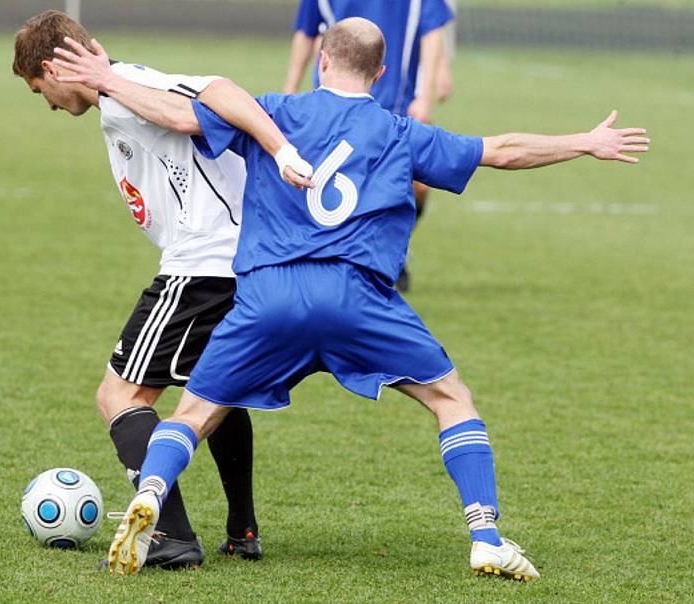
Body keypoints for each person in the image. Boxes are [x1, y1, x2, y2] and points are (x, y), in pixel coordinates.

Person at [54, 18, 649, 580]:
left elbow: (182, 115)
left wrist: (108, 78)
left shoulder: (275, 113)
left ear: (321, 58)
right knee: (450, 398)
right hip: (358, 300)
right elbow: (502, 150)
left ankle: (152, 496)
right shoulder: (398, 131)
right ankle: (486, 535)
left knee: (190, 414)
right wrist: (585, 141)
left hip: (269, 298)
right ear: (381, 73)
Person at [12, 10, 312, 569]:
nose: (50, 104)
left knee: (119, 396)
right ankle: (242, 528)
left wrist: (280, 150)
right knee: (215, 387)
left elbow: (216, 94)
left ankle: (171, 536)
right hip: (230, 262)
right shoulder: (120, 94)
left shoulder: (126, 88)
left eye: (40, 90)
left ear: (55, 69)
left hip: (204, 267)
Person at [283, 0, 457, 292]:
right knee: (334, 182)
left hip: (394, 102)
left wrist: (426, 93)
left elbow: (432, 30)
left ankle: (394, 251)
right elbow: (306, 30)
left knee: (418, 186)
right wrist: (290, 87)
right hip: (332, 101)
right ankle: (335, 259)